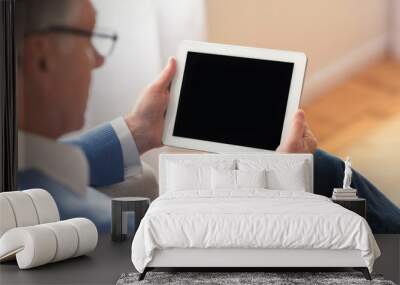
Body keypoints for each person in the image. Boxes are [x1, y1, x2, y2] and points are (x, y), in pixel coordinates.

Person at [16, 0, 399, 234]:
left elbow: (55, 164)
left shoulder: (20, 162)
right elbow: (197, 246)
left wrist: (138, 131)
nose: (98, 59)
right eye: (88, 38)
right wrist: (279, 188)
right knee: (318, 170)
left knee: (322, 167)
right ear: (41, 57)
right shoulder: (87, 224)